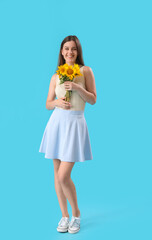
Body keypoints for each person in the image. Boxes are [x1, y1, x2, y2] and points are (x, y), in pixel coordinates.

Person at [39, 35, 97, 234]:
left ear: (77, 52)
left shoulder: (85, 71)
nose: (69, 52)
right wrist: (56, 103)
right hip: (56, 123)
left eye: (73, 49)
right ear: (61, 52)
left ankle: (77, 214)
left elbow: (93, 99)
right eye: (66, 49)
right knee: (56, 174)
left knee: (64, 175)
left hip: (75, 124)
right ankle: (64, 216)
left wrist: (78, 87)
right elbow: (47, 103)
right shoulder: (56, 75)